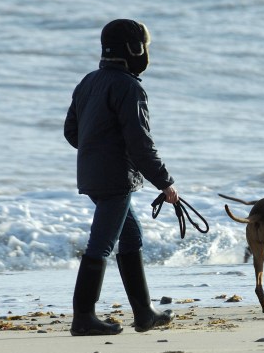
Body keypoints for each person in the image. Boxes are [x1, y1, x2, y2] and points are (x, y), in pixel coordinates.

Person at [64, 19, 179, 336]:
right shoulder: (130, 88)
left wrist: (97, 150)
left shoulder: (89, 81)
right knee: (100, 245)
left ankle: (145, 313)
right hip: (116, 179)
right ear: (135, 49)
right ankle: (83, 317)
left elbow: (72, 132)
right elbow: (140, 145)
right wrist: (165, 183)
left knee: (131, 237)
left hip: (91, 174)